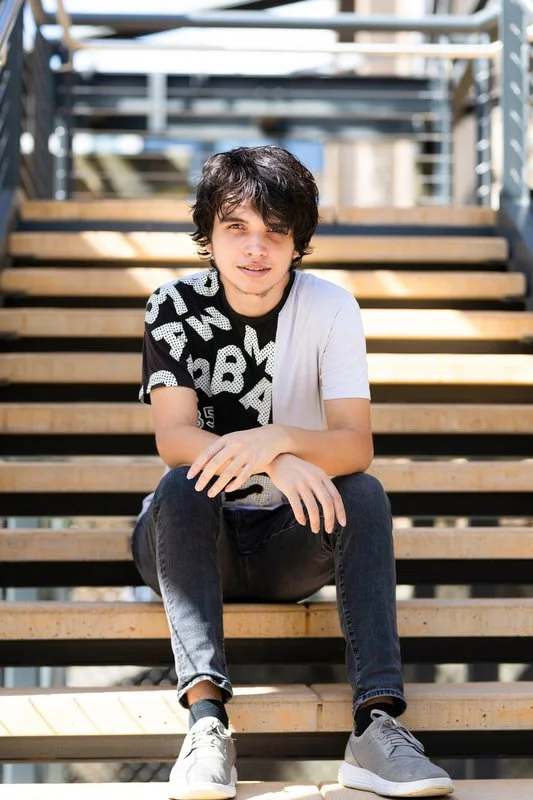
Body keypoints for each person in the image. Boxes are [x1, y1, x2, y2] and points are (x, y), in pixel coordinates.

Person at [132, 145, 454, 800]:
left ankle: (376, 724)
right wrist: (277, 453)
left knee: (361, 493)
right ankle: (205, 726)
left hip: (289, 544)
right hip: (196, 539)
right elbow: (174, 439)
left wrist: (282, 440)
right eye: (237, 228)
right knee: (180, 484)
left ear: (296, 240)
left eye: (274, 231)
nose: (256, 248)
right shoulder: (172, 306)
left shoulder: (331, 307)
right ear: (208, 234)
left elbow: (354, 447)